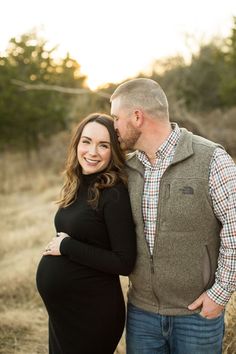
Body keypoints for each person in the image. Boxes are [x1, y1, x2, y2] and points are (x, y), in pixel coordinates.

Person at [110, 78, 236, 354]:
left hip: (197, 315)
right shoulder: (127, 170)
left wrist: (220, 293)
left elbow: (235, 229)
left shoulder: (212, 159)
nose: (114, 127)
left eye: (116, 118)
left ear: (137, 117)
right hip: (141, 314)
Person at [36, 113, 136, 354]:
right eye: (87, 141)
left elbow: (124, 262)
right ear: (77, 144)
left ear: (113, 151)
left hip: (92, 315)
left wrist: (67, 247)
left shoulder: (114, 193)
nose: (92, 152)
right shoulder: (77, 183)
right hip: (64, 315)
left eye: (103, 145)